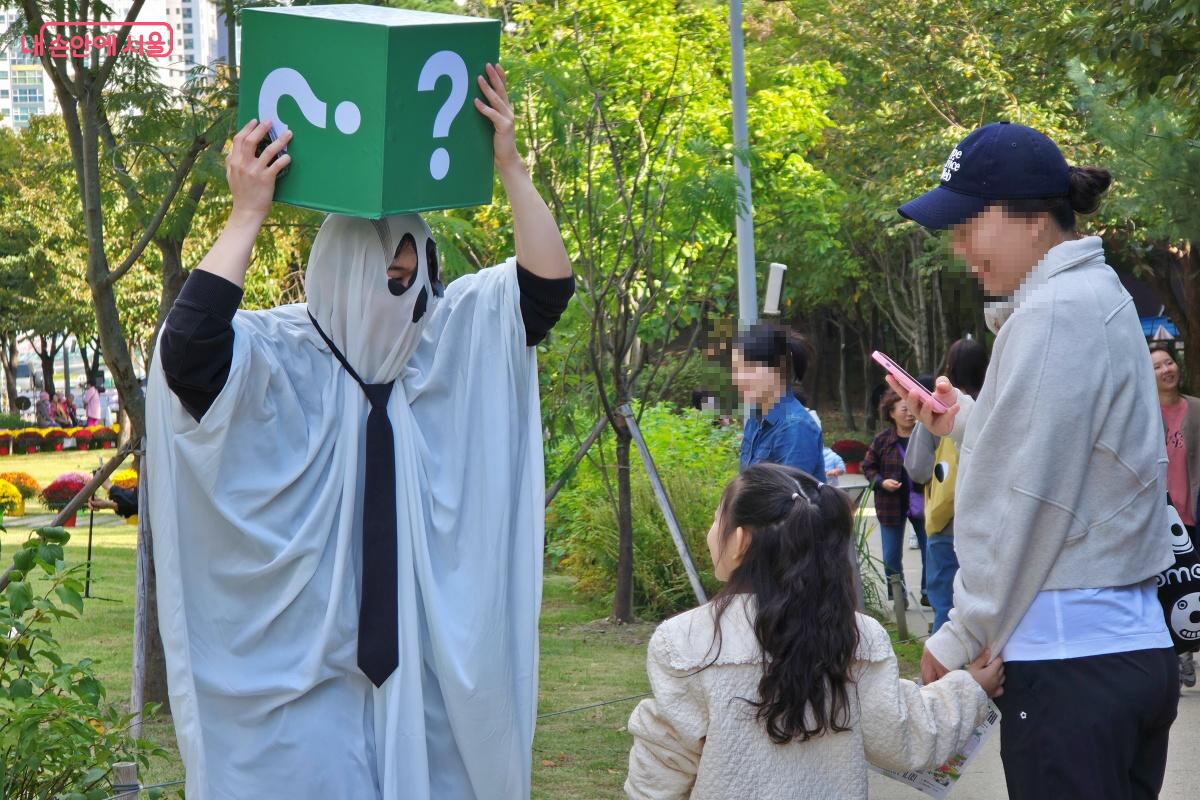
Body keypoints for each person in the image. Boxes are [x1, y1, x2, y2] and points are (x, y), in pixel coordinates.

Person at [145, 64, 573, 799]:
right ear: (340, 274)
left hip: (431, 671)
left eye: (419, 274)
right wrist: (246, 214)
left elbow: (544, 290)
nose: (408, 298)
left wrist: (510, 165)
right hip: (300, 678)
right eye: (391, 277)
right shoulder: (277, 358)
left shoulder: (443, 347)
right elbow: (188, 350)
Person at [892, 121, 1178, 798]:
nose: (961, 250)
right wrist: (963, 420)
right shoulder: (1090, 296)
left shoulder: (1053, 314)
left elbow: (1026, 500)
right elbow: (1066, 454)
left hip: (1071, 659)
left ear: (1027, 217)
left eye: (967, 224)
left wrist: (960, 633)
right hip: (1114, 651)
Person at [624, 463, 1002, 798]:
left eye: (715, 520)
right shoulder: (858, 636)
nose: (710, 531)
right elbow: (904, 736)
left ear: (739, 541)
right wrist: (969, 687)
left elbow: (662, 766)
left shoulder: (686, 641)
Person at [904, 338, 989, 633]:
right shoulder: (996, 406)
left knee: (947, 609)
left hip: (945, 524)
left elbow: (916, 468)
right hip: (989, 526)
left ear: (949, 369)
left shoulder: (939, 409)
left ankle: (949, 674)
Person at [1150, 342, 1199, 688]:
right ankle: (1179, 656)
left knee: (1194, 585)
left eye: (1169, 362)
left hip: (1194, 514)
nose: (1166, 370)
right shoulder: (1142, 412)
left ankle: (1188, 648)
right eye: (1157, 366)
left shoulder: (1196, 409)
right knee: (1168, 588)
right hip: (1159, 518)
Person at [862, 388, 928, 606]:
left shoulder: (926, 436)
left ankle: (929, 592)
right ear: (891, 413)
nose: (909, 413)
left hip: (923, 502)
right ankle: (898, 597)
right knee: (891, 555)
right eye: (904, 409)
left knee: (930, 551)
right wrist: (882, 482)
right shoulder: (882, 440)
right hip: (890, 505)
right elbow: (868, 467)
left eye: (912, 409)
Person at [732, 324, 823, 479]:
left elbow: (791, 498)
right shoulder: (755, 420)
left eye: (748, 369)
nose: (738, 378)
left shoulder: (795, 427)